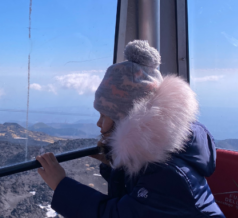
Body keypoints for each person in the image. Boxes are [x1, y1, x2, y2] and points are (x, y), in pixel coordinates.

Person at [36, 40, 225, 218]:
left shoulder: (168, 173)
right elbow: (139, 199)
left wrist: (61, 185)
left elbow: (116, 214)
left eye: (104, 116)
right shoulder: (161, 153)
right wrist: (118, 164)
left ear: (126, 120)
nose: (99, 124)